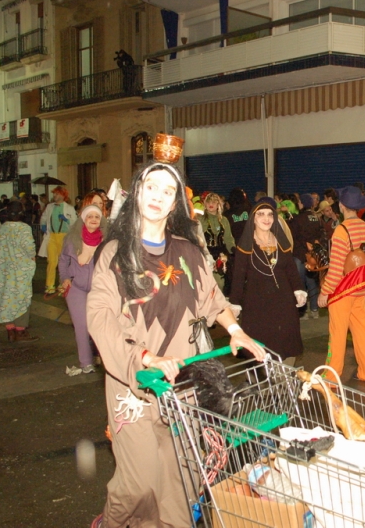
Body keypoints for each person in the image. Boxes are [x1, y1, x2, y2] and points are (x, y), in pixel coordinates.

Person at [87, 160, 266, 528]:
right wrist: (144, 357)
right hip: (134, 385)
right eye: (151, 186)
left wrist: (235, 330)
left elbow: (212, 298)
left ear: (175, 205)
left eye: (168, 191)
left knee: (182, 482)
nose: (158, 196)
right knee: (138, 485)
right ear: (137, 192)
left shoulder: (188, 252)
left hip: (184, 383)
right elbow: (100, 319)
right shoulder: (114, 254)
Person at [231, 197, 306, 365]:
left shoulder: (280, 241)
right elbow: (238, 276)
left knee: (287, 340)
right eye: (261, 214)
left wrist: (299, 290)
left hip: (284, 301)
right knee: (260, 346)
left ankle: (285, 381)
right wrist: (234, 303)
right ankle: (264, 381)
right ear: (254, 219)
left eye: (270, 215)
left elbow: (291, 269)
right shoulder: (246, 244)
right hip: (257, 304)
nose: (266, 219)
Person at [318, 186, 365, 384]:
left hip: (342, 291)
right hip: (361, 289)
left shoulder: (341, 231)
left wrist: (324, 292)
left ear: (342, 206)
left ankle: (331, 376)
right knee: (361, 332)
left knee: (337, 335)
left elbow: (336, 268)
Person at [59, 204, 105, 376]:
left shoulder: (106, 240)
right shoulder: (72, 238)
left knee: (100, 324)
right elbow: (63, 260)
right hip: (76, 287)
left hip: (99, 288)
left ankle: (105, 358)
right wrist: (65, 278)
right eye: (89, 216)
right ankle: (86, 362)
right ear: (83, 220)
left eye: (97, 217)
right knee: (81, 325)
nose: (93, 220)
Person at [0, 201, 38, 343]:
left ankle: (10, 330)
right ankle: (20, 331)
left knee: (7, 299)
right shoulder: (24, 228)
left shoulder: (2, 229)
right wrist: (32, 257)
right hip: (21, 271)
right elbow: (29, 248)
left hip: (5, 270)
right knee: (22, 299)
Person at [289, 193, 322, 318]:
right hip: (313, 255)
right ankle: (314, 309)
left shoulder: (297, 219)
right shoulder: (316, 218)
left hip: (299, 255)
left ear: (301, 204)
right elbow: (320, 235)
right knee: (312, 282)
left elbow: (293, 237)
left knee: (300, 284)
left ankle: (302, 312)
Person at [40, 186, 76, 297]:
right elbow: (44, 217)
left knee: (63, 261)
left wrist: (67, 220)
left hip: (64, 237)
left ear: (63, 195)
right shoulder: (50, 207)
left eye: (56, 194)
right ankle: (50, 285)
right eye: (54, 194)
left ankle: (62, 284)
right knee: (51, 261)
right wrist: (43, 225)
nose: (54, 196)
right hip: (51, 236)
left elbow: (74, 222)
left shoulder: (69, 208)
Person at [199, 193, 235, 291]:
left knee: (220, 283)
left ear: (218, 204)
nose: (211, 204)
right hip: (204, 253)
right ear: (205, 204)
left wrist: (233, 250)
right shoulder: (199, 220)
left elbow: (228, 238)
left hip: (221, 253)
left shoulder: (224, 220)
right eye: (208, 201)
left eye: (214, 202)